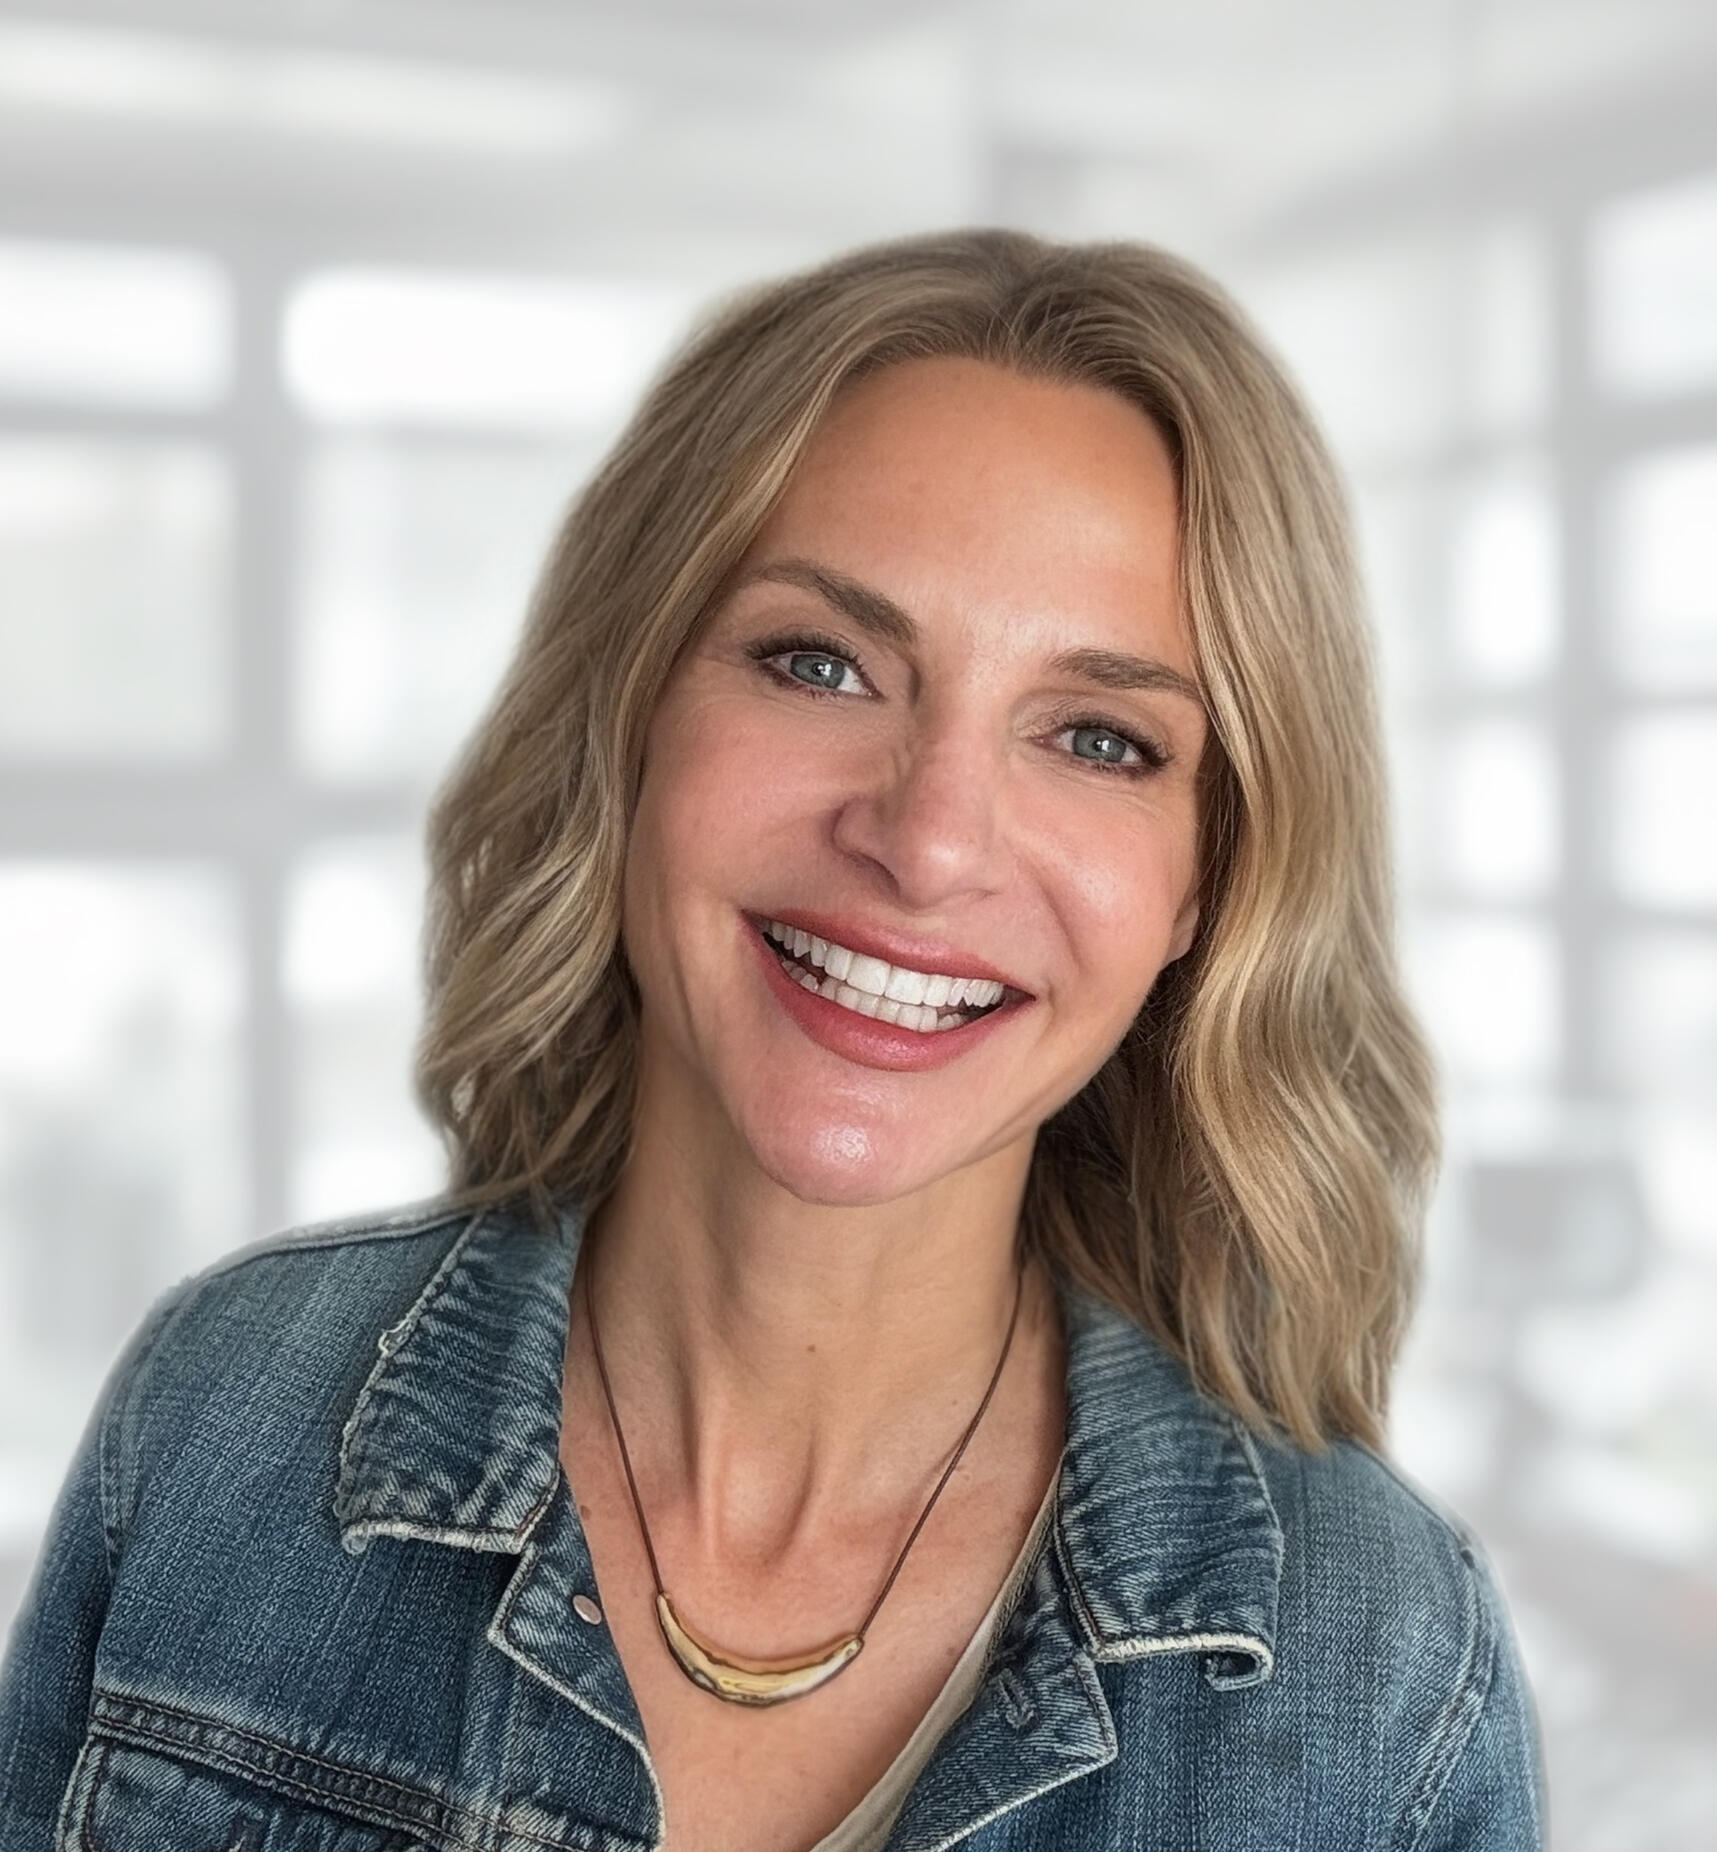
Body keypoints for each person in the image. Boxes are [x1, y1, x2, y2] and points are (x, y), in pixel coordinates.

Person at [0, 230, 1543, 1850]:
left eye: (1098, 736)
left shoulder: (1381, 1675)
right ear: (633, 713)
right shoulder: (228, 1415)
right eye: (821, 662)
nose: (931, 839)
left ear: (1204, 884)